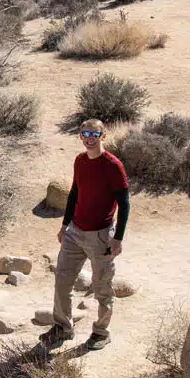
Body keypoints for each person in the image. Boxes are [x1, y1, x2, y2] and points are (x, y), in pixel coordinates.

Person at [42, 118, 129, 350]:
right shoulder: (80, 161)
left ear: (103, 136)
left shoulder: (113, 165)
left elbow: (125, 203)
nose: (89, 139)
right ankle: (63, 327)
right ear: (80, 137)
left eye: (94, 134)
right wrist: (64, 225)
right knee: (62, 280)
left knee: (102, 287)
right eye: (85, 134)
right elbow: (74, 194)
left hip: (101, 236)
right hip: (75, 232)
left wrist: (118, 237)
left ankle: (101, 332)